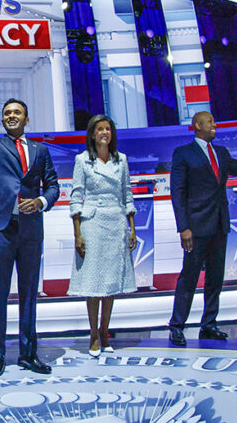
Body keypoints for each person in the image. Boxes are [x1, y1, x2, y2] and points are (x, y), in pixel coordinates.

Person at [0, 77, 60, 380]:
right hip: (1, 228)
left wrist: (41, 202)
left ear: (26, 118)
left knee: (29, 293)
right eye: (6, 113)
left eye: (16, 112)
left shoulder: (40, 151)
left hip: (32, 230)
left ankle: (28, 353)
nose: (10, 116)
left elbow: (54, 186)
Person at [168, 111, 237, 347]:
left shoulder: (221, 153)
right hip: (196, 227)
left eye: (214, 120)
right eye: (210, 122)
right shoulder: (183, 153)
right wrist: (183, 227)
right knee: (189, 278)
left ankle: (209, 324)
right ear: (197, 126)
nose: (215, 124)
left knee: (215, 278)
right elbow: (177, 193)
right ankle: (177, 326)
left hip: (219, 225)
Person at [68, 114, 137, 357]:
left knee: (110, 284)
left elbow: (126, 194)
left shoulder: (122, 160)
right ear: (92, 134)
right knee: (94, 284)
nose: (104, 133)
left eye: (108, 128)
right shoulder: (82, 160)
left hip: (116, 222)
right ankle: (93, 335)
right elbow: (76, 197)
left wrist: (132, 228)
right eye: (100, 129)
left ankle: (105, 332)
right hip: (92, 223)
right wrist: (77, 233)